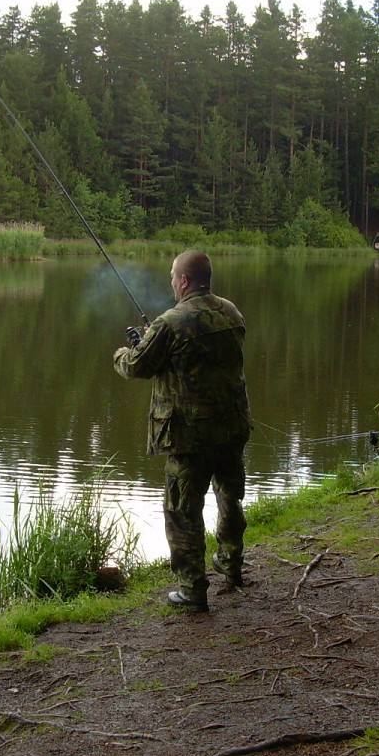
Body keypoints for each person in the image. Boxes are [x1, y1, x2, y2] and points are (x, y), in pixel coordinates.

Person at [113, 250, 252, 612]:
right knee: (229, 496)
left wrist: (123, 353)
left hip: (191, 435)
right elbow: (204, 359)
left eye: (173, 276)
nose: (171, 281)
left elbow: (137, 367)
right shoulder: (231, 312)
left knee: (182, 509)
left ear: (185, 281)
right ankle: (232, 564)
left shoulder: (171, 322)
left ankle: (192, 589)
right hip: (232, 425)